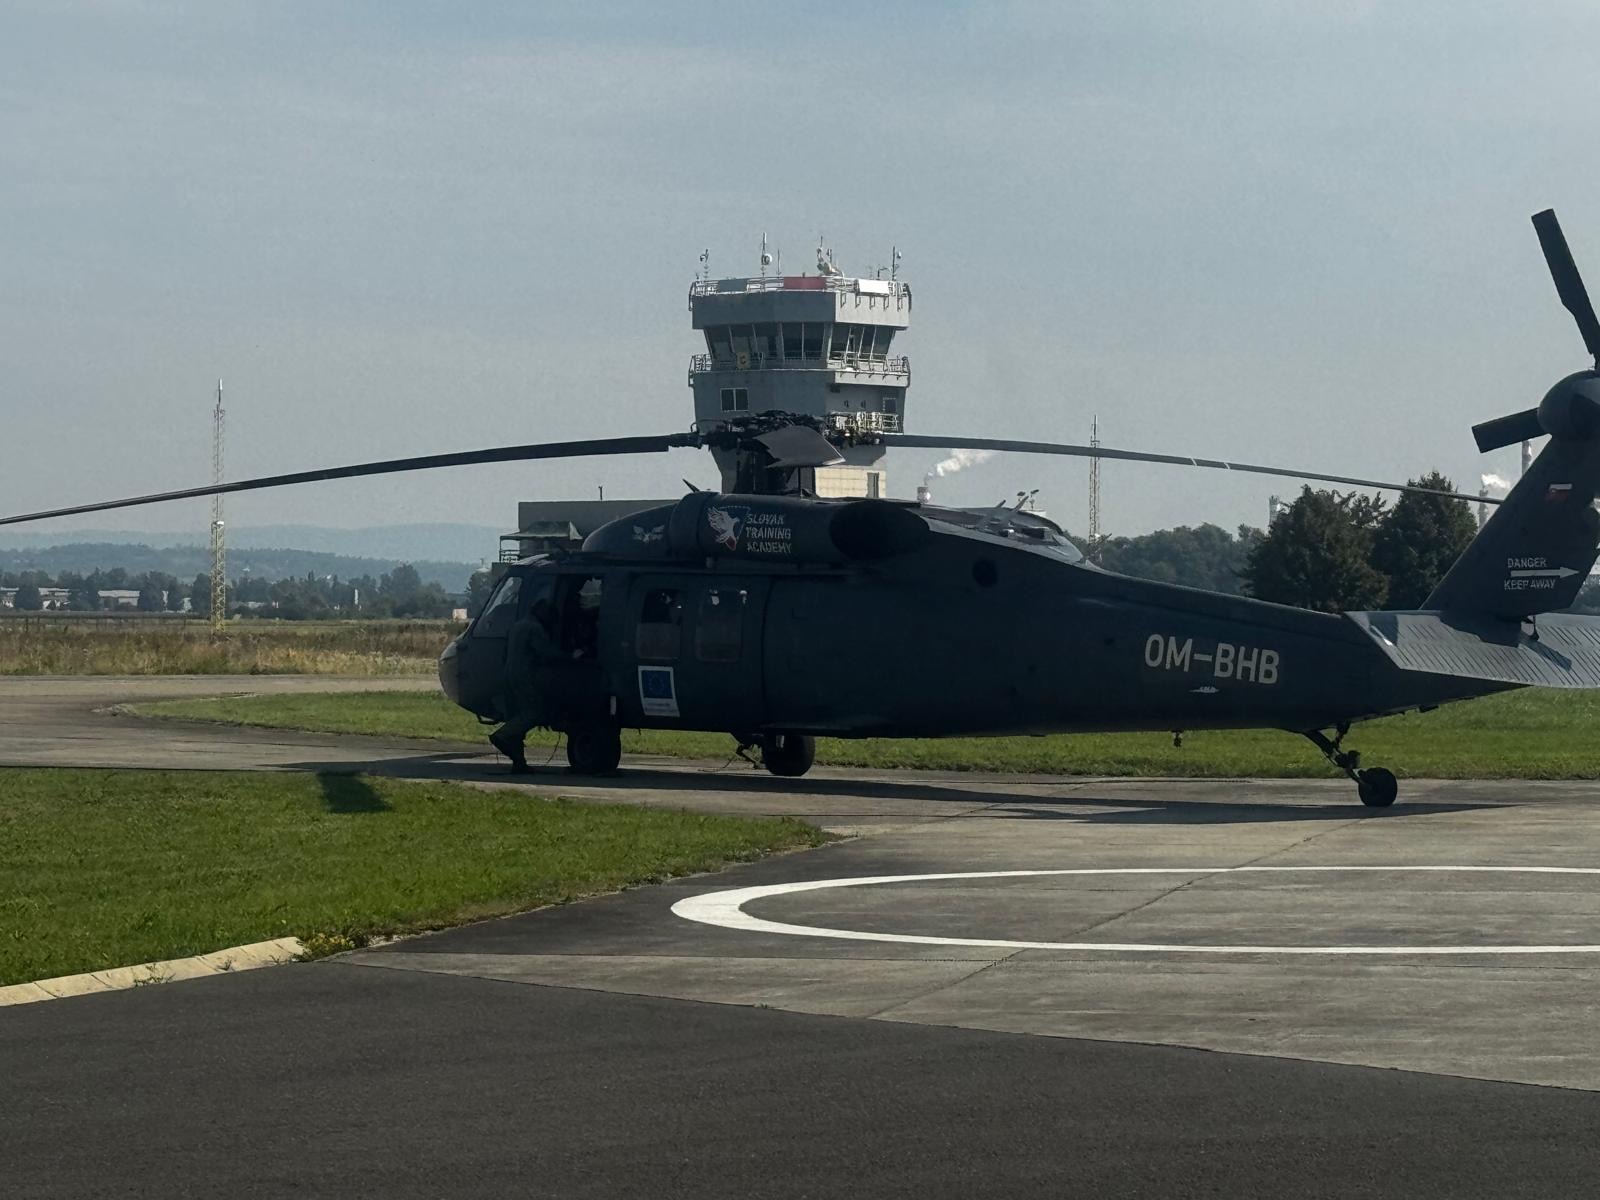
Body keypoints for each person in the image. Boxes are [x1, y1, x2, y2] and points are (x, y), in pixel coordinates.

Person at [489, 596, 557, 773]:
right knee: (533, 712)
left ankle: (519, 762)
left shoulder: (517, 625)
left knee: (516, 714)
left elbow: (505, 652)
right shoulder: (534, 628)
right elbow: (545, 652)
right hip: (524, 675)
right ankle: (502, 736)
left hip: (509, 674)